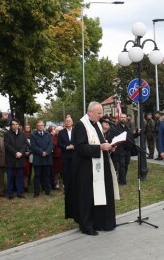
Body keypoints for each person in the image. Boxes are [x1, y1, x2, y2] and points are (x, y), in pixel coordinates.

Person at [65, 101, 119, 236]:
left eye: (101, 113)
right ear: (90, 112)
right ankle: (86, 225)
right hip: (85, 168)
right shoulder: (80, 126)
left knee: (101, 194)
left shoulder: (97, 125)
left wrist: (109, 146)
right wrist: (100, 147)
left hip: (99, 165)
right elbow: (80, 147)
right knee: (87, 196)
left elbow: (100, 142)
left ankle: (101, 222)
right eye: (98, 113)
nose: (101, 116)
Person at [4, 119, 28, 199]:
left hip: (20, 158)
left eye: (16, 124)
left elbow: (25, 144)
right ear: (11, 126)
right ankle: (10, 193)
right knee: (10, 177)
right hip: (10, 159)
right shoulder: (7, 134)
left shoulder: (23, 134)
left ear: (18, 125)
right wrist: (15, 153)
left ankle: (20, 192)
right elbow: (7, 145)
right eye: (13, 124)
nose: (15, 125)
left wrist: (21, 152)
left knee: (20, 176)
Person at [113, 114, 139, 185]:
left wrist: (137, 133)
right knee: (122, 165)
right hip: (120, 149)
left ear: (126, 119)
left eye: (124, 117)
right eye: (122, 117)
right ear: (119, 118)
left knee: (126, 165)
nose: (123, 119)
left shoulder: (127, 127)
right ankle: (121, 181)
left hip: (128, 150)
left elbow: (131, 136)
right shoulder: (116, 127)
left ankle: (123, 178)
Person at [29, 120, 54, 197]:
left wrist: (46, 152)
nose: (40, 127)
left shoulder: (48, 135)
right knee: (37, 176)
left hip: (47, 158)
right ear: (37, 127)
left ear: (44, 126)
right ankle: (36, 193)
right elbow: (33, 146)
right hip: (38, 159)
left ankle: (48, 191)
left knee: (47, 176)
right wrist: (41, 152)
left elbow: (51, 145)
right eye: (39, 125)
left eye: (42, 125)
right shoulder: (33, 135)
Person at [58, 115, 75, 194]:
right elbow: (59, 143)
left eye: (69, 121)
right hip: (65, 155)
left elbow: (79, 141)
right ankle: (66, 188)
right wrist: (66, 147)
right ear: (65, 123)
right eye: (67, 121)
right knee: (66, 172)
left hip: (75, 155)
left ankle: (74, 188)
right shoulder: (61, 132)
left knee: (74, 171)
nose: (68, 122)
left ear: (72, 122)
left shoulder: (76, 131)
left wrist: (74, 146)